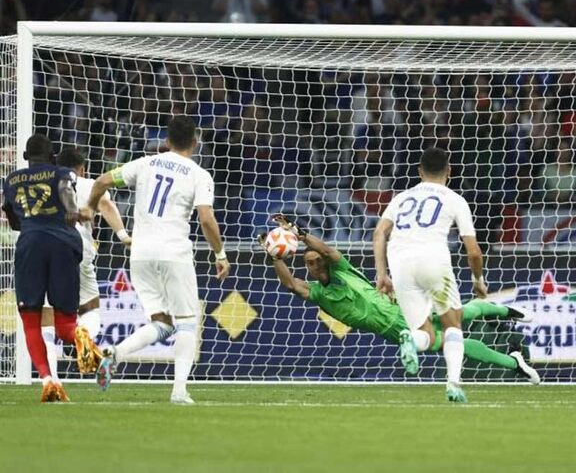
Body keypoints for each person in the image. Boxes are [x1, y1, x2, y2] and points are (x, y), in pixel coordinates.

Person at [263, 215, 540, 384]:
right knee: (455, 341)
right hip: (392, 329)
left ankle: (504, 311)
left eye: (316, 259)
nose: (314, 265)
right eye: (308, 264)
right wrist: (274, 256)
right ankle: (515, 363)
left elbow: (328, 249)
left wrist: (299, 234)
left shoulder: (342, 269)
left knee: (458, 317)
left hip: (402, 306)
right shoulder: (318, 292)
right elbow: (290, 284)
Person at [86, 116, 231, 404]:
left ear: (166, 141)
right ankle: (179, 391)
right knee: (188, 322)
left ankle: (116, 354)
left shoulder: (144, 163)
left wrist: (90, 207)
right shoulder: (199, 174)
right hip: (173, 253)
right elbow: (206, 219)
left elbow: (102, 180)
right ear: (195, 142)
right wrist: (220, 253)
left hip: (140, 254)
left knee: (163, 322)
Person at [373, 147, 486, 403]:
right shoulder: (455, 199)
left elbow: (379, 233)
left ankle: (410, 338)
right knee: (452, 324)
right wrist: (478, 281)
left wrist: (382, 274)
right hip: (434, 260)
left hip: (399, 262)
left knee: (426, 334)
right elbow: (474, 252)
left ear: (419, 171)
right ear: (449, 171)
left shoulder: (401, 197)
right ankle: (453, 384)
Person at [1, 134, 101, 402]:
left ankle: (48, 381)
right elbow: (70, 205)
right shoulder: (62, 173)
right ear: (53, 155)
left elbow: (13, 222)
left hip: (30, 246)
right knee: (65, 321)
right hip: (63, 245)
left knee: (31, 319)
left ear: (25, 157)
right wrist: (77, 213)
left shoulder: (11, 181)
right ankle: (80, 334)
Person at [39, 147, 131, 385]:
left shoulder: (44, 184)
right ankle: (84, 335)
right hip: (79, 247)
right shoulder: (90, 184)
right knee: (90, 308)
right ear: (82, 169)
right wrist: (122, 235)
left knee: (47, 319)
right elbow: (107, 207)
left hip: (45, 247)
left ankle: (52, 382)